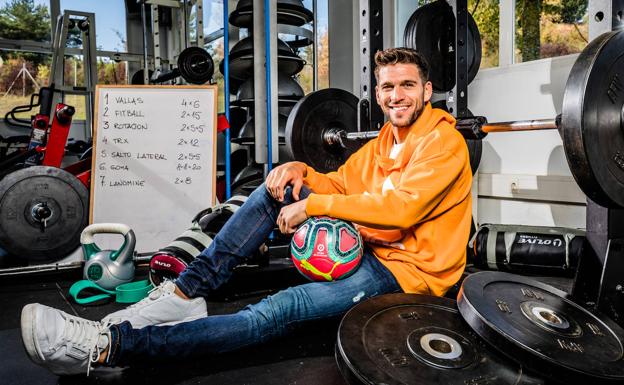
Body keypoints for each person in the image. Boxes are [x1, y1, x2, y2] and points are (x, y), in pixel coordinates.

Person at [20, 47, 473, 376]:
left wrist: (311, 205)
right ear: (378, 92)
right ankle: (185, 293)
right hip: (370, 247)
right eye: (388, 86)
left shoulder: (443, 142)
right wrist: (302, 173)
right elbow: (341, 183)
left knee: (277, 308)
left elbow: (400, 209)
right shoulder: (383, 143)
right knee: (275, 186)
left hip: (407, 275)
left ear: (427, 90)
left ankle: (107, 346)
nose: (397, 95)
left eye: (407, 85)